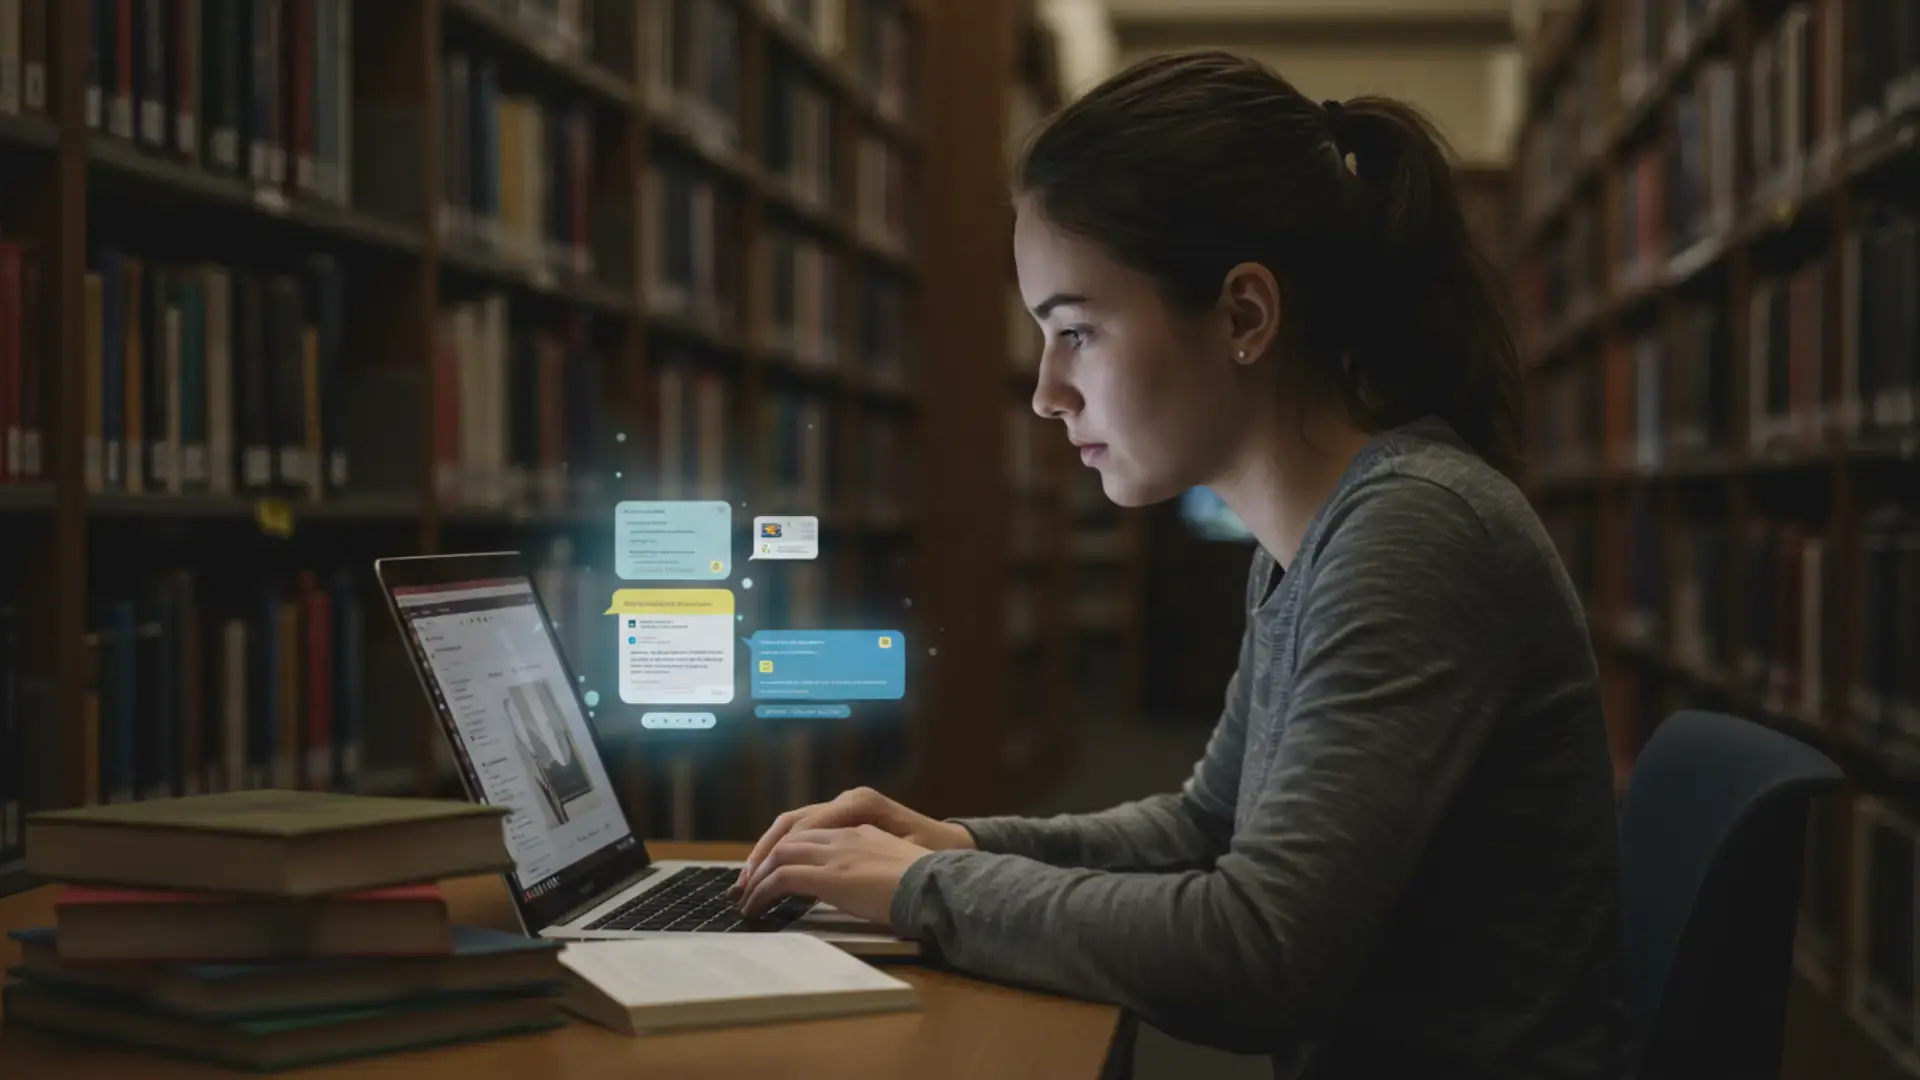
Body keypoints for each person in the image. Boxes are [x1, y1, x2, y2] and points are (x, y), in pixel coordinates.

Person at [729, 50, 1626, 1079]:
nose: (1046, 393)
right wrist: (959, 848)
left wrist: (918, 890)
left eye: (1077, 331)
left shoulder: (1415, 533)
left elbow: (1255, 956)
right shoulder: (1316, 539)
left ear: (1245, 316)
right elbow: (1206, 826)